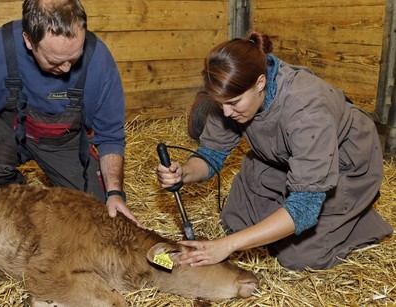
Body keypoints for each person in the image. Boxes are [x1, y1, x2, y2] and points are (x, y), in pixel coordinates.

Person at [157, 31, 393, 270]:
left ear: (260, 83)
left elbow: (304, 206)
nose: (226, 113)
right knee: (234, 222)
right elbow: (212, 154)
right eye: (220, 104)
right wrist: (183, 173)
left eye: (233, 103)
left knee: (299, 258)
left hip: (342, 162)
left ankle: (359, 220)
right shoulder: (232, 94)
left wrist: (227, 246)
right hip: (283, 157)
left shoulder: (306, 109)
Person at [0, 0, 139, 225]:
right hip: (9, 127)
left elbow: (110, 137)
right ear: (29, 40)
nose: (67, 69)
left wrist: (115, 193)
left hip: (63, 138)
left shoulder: (99, 60)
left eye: (74, 58)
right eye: (55, 61)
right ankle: (20, 200)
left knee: (97, 213)